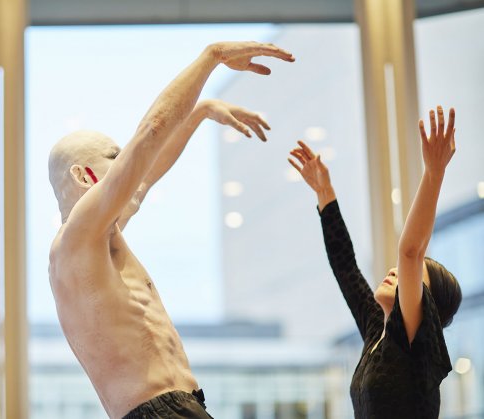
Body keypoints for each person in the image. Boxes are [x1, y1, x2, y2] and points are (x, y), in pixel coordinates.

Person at [48, 41, 294, 419]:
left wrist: (201, 112)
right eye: (116, 158)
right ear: (85, 176)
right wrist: (213, 56)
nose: (130, 169)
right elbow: (150, 134)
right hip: (158, 411)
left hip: (176, 407)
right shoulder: (75, 240)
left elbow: (148, 170)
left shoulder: (99, 239)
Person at [288, 106, 462, 418]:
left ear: (428, 308)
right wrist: (325, 194)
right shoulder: (376, 332)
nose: (395, 270)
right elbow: (346, 269)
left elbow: (410, 251)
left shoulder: (416, 340)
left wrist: (434, 173)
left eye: (411, 276)